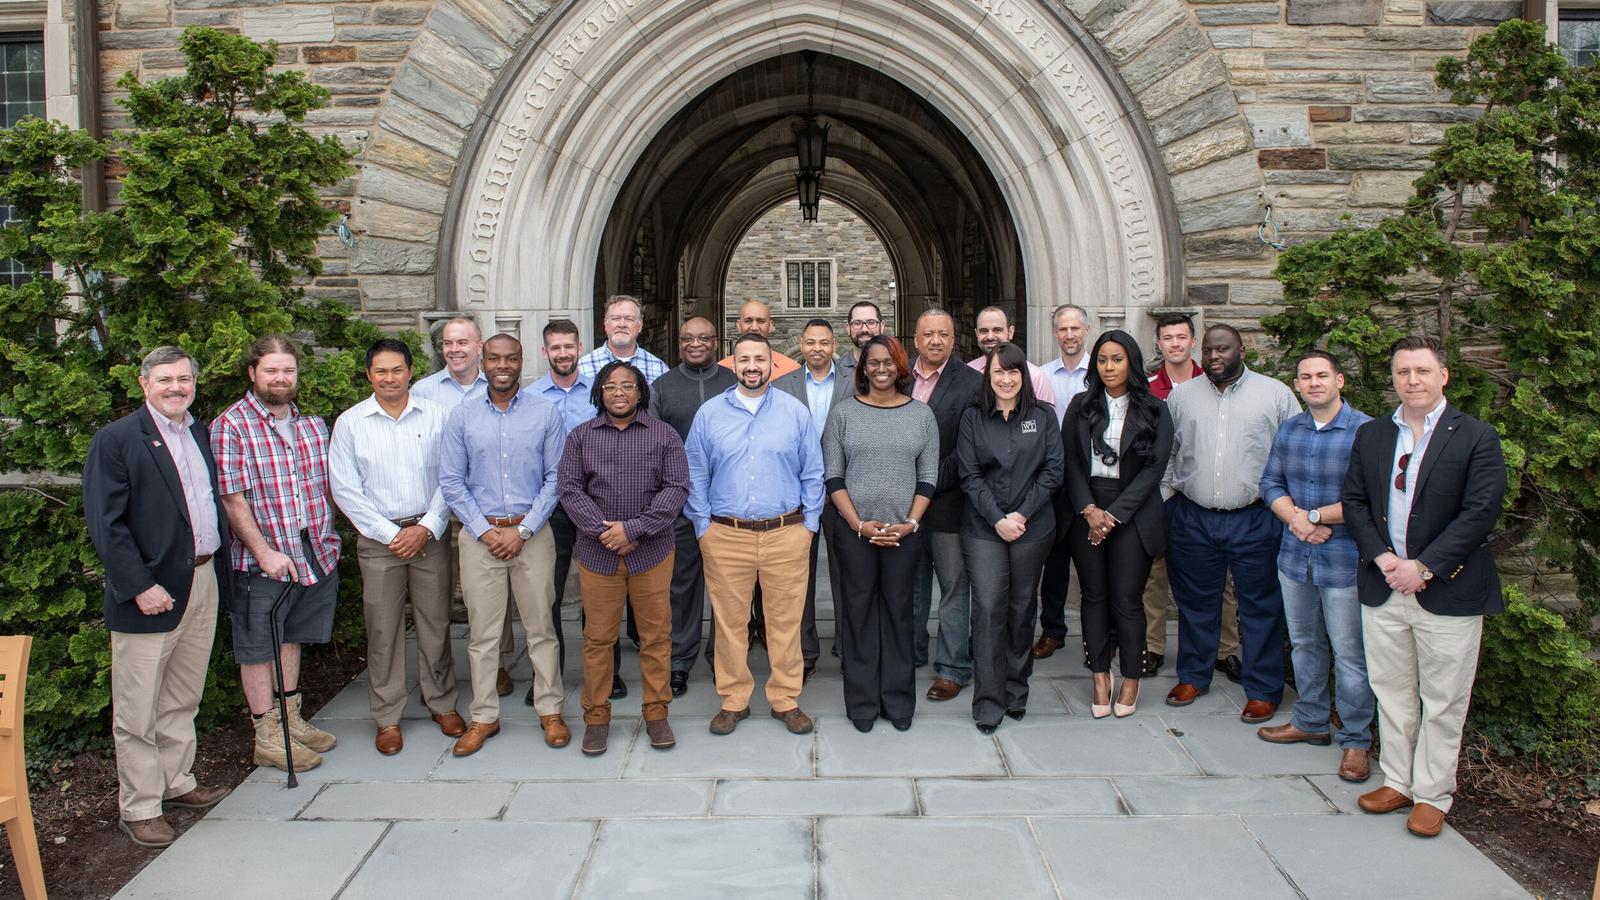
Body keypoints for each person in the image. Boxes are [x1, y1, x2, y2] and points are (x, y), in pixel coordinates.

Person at [1343, 336, 1507, 838]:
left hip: (1447, 592)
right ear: (1392, 378)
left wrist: (1425, 566)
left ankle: (1433, 794)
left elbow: (1479, 514)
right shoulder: (1373, 435)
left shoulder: (1476, 437)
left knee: (1443, 699)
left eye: (1422, 371)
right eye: (1402, 372)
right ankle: (1397, 780)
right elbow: (1354, 502)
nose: (1412, 380)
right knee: (1392, 692)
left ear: (1443, 376)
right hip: (1385, 584)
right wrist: (1385, 558)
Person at [84, 347, 233, 848]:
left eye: (184, 379)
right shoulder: (118, 440)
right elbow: (107, 524)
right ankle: (141, 806)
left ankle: (176, 781)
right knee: (138, 706)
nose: (176, 387)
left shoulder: (198, 433)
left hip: (202, 580)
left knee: (182, 696)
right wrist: (139, 586)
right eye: (165, 379)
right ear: (144, 383)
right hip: (150, 592)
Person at [212, 335, 341, 771]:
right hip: (262, 559)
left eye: (287, 370)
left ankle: (290, 720)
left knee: (292, 637)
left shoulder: (310, 425)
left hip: (313, 549)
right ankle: (266, 735)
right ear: (253, 373)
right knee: (257, 645)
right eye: (271, 370)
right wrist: (263, 551)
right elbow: (232, 497)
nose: (280, 378)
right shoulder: (232, 425)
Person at [685, 332, 824, 737]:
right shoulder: (710, 414)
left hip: (785, 532)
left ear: (771, 364)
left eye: (759, 359)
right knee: (730, 623)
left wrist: (809, 526)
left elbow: (812, 471)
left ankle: (785, 699)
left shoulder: (795, 412)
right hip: (726, 535)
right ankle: (734, 700)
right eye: (743, 359)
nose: (751, 366)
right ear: (733, 363)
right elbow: (695, 472)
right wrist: (703, 527)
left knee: (785, 621)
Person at [329, 339, 463, 756]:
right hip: (378, 541)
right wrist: (390, 534)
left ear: (410, 372)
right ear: (369, 375)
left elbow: (451, 476)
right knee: (383, 629)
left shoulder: (438, 416)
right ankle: (387, 716)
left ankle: (440, 700)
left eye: (398, 370)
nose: (390, 378)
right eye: (381, 371)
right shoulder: (351, 423)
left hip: (429, 534)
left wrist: (426, 526)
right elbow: (345, 489)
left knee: (436, 622)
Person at [439, 334, 570, 755]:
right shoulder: (462, 416)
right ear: (483, 358)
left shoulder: (545, 413)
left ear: (522, 360)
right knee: (482, 635)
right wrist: (485, 531)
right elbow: (452, 482)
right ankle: (484, 717)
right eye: (494, 357)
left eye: (510, 358)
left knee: (541, 629)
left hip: (532, 535)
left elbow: (557, 478)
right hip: (481, 538)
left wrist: (524, 530)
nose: (502, 365)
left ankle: (550, 709)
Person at [1161, 324, 1300, 724]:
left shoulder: (1275, 395)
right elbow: (1168, 452)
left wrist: (1286, 510)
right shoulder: (1183, 396)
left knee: (1260, 606)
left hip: (1255, 517)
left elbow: (1292, 451)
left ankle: (1263, 689)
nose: (1213, 356)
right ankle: (1194, 676)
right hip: (1194, 517)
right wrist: (1169, 499)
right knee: (1196, 603)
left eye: (1222, 349)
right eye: (1208, 350)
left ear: (1242, 349)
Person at [1257, 350, 1376, 783]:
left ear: (1339, 380)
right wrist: (1295, 520)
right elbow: (1270, 482)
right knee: (1305, 643)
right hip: (1294, 559)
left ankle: (1357, 740)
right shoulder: (1291, 430)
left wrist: (1315, 517)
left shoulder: (1365, 431)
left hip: (1344, 561)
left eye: (1322, 375)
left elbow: (1369, 498)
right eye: (1305, 377)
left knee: (1349, 654)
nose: (1313, 383)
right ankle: (1309, 720)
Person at [558, 361, 689, 756]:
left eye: (627, 386)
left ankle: (656, 713)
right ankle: (596, 718)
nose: (619, 393)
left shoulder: (664, 435)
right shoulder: (581, 437)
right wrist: (605, 532)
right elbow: (569, 489)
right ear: (600, 392)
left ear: (640, 392)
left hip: (651, 552)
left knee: (655, 636)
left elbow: (677, 487)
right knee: (598, 638)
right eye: (611, 386)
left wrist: (633, 530)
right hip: (599, 556)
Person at [824, 336, 939, 731]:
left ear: (900, 365)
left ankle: (898, 701)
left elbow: (928, 478)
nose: (881, 368)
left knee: (898, 615)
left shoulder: (921, 415)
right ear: (863, 369)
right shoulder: (843, 414)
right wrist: (857, 523)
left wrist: (910, 523)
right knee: (858, 616)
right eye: (873, 362)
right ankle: (862, 703)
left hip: (904, 535)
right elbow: (834, 476)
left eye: (888, 362)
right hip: (855, 533)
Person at [1061, 331, 1173, 718]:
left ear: (1132, 363)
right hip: (1087, 509)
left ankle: (1130, 677)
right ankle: (1098, 675)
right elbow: (1070, 461)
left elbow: (1155, 469)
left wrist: (1113, 515)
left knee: (1126, 600)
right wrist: (1089, 509)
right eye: (1103, 360)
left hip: (1134, 512)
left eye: (1117, 359)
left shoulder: (1155, 409)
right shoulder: (1080, 405)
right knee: (1093, 596)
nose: (1109, 367)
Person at [958, 342, 1064, 733]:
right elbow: (968, 475)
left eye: (1013, 372)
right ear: (988, 375)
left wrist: (1020, 514)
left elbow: (1053, 471)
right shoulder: (973, 418)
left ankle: (1016, 690)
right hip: (984, 529)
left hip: (1032, 527)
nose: (1005, 379)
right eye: (998, 372)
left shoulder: (1044, 417)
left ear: (1024, 376)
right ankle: (988, 701)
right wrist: (997, 518)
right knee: (987, 610)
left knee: (1021, 610)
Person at [411, 317, 514, 696]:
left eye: (462, 342)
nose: (454, 350)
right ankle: (438, 674)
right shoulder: (423, 392)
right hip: (439, 513)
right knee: (436, 600)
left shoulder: (499, 388)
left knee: (491, 594)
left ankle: (498, 663)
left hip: (486, 513)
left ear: (480, 346)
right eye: (448, 344)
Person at [1143, 313, 1242, 678]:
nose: (1175, 344)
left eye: (1182, 337)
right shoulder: (1148, 386)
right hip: (1161, 496)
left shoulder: (1214, 381)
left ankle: (1225, 649)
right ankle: (1152, 647)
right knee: (1155, 574)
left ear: (1192, 341)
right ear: (1159, 343)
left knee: (1221, 579)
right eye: (1167, 338)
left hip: (1204, 496)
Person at [530, 318, 620, 702]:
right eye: (556, 347)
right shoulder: (531, 397)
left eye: (569, 346)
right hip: (551, 509)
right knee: (545, 595)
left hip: (596, 505)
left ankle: (606, 674)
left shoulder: (598, 393)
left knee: (600, 593)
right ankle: (548, 678)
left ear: (579, 347)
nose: (563, 354)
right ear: (544, 352)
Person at [649, 316, 738, 695]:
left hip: (727, 504)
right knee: (682, 588)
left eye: (703, 338)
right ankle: (680, 660)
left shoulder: (733, 383)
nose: (696, 344)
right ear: (679, 342)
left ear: (716, 342)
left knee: (727, 588)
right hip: (681, 505)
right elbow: (652, 446)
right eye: (688, 338)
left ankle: (724, 658)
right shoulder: (663, 388)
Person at [910, 309, 983, 701]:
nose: (935, 340)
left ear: (954, 340)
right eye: (928, 334)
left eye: (944, 334)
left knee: (954, 588)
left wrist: (927, 484)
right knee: (911, 586)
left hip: (948, 505)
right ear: (916, 339)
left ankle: (954, 667)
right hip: (902, 506)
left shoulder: (973, 383)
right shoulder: (898, 376)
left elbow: (970, 448)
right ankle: (911, 653)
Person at [773, 318, 853, 677]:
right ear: (801, 346)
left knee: (848, 573)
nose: (817, 348)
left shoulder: (855, 382)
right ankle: (804, 653)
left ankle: (849, 646)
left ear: (834, 344)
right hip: (797, 493)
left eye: (823, 342)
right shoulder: (782, 385)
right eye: (810, 342)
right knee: (797, 578)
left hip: (845, 491)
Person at [1033, 304, 1093, 663]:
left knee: (1092, 566)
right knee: (1054, 563)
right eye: (1062, 329)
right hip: (1053, 484)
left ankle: (1100, 637)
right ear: (1054, 332)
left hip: (1091, 482)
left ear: (1086, 329)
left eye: (1075, 328)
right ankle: (1053, 630)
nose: (1069, 335)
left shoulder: (1099, 374)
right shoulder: (1041, 376)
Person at [965, 306, 1058, 409]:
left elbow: (1047, 419)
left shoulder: (1034, 376)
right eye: (984, 331)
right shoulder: (966, 373)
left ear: (1010, 332)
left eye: (997, 330)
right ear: (976, 334)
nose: (990, 336)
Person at [579, 294, 669, 383]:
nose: (622, 325)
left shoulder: (659, 369)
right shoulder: (582, 368)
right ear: (605, 324)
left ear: (640, 325)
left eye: (629, 319)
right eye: (616, 318)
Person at [719, 299, 800, 377]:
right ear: (739, 325)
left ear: (770, 326)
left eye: (761, 321)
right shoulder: (721, 370)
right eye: (748, 321)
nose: (754, 327)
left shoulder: (792, 370)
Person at [842, 300, 885, 368]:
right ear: (848, 328)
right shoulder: (835, 372)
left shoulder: (898, 369)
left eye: (871, 322)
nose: (864, 329)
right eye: (857, 323)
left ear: (882, 326)